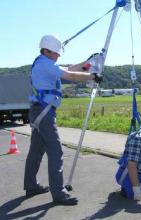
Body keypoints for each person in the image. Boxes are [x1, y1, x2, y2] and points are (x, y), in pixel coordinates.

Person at [24, 34, 103, 206]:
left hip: (38, 110)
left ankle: (30, 185)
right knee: (56, 151)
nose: (58, 55)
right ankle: (59, 193)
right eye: (55, 53)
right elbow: (71, 75)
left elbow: (68, 68)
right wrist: (91, 76)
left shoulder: (42, 62)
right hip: (44, 112)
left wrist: (86, 62)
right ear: (46, 50)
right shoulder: (46, 64)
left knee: (36, 150)